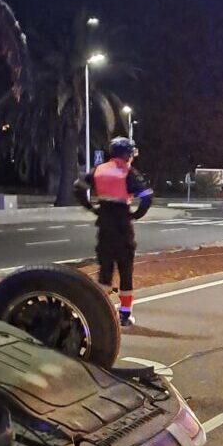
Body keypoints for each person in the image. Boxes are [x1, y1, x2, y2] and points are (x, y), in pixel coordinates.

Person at [75, 137, 153, 326]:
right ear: (126, 154)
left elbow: (78, 187)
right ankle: (125, 315)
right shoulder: (127, 172)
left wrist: (90, 207)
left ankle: (98, 313)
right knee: (126, 271)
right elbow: (147, 196)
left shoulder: (99, 170)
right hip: (122, 225)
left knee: (105, 271)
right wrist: (136, 215)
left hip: (104, 224)